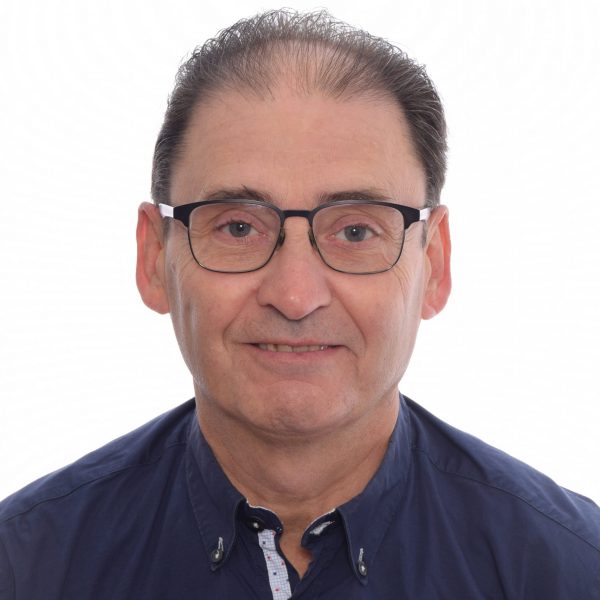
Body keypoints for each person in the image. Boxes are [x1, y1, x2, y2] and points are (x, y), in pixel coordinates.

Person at [1, 9, 598, 599]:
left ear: (434, 265)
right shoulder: (26, 566)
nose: (294, 296)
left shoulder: (569, 569)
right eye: (238, 227)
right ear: (154, 258)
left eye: (356, 231)